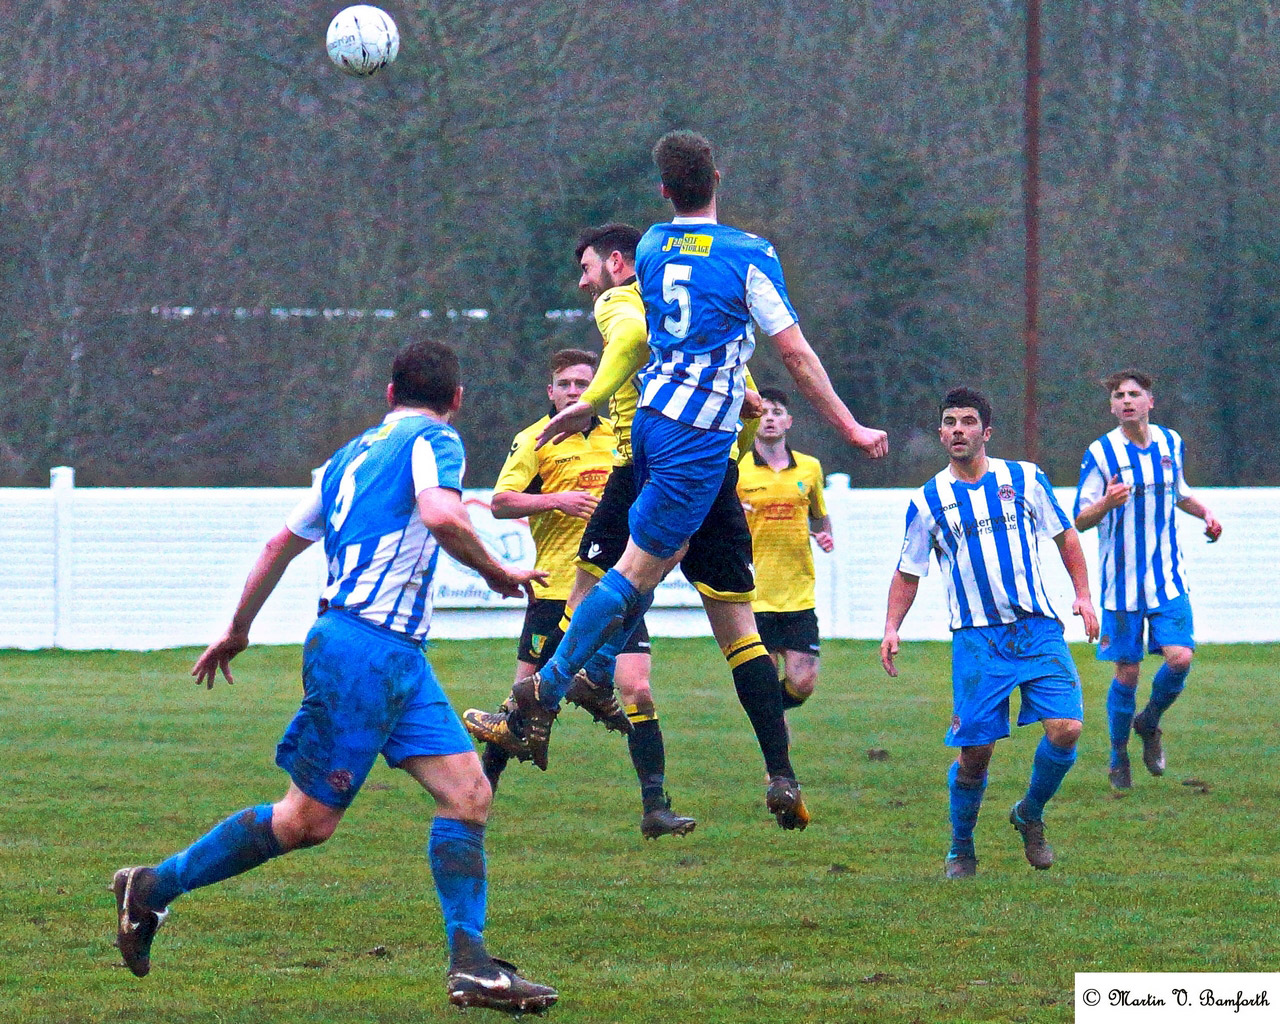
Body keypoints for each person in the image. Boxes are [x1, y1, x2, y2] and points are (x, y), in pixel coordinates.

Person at [109, 341, 558, 1014]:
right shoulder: (436, 440)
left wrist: (237, 628)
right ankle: (151, 888)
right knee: (305, 822)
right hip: (360, 655)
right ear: (456, 399)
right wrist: (499, 572)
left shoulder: (347, 459)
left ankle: (472, 965)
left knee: (468, 794)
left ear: (387, 393)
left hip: (394, 655)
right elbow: (440, 514)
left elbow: (278, 546)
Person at [498, 131, 887, 831]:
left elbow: (658, 333)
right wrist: (852, 428)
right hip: (697, 446)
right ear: (718, 177)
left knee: (705, 607)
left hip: (649, 427)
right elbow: (794, 354)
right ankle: (545, 694)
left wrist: (605, 398)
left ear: (664, 192)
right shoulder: (749, 255)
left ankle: (773, 772)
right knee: (634, 576)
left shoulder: (649, 245)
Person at [880, 387, 1099, 879]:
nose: (958, 429)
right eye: (950, 422)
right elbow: (908, 571)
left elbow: (1066, 535)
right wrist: (892, 627)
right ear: (940, 433)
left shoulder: (1023, 478)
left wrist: (1082, 594)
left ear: (986, 431)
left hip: (1036, 627)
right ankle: (961, 846)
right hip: (977, 639)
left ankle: (1029, 813)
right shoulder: (928, 499)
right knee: (976, 754)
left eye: (968, 421)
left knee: (1067, 728)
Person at [484, 341, 691, 838]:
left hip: (618, 585)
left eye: (584, 383)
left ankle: (655, 806)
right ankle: (475, 799)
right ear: (551, 392)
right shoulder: (535, 439)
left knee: (637, 687)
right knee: (521, 704)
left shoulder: (622, 439)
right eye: (566, 385)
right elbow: (499, 502)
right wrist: (556, 499)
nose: (575, 391)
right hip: (556, 590)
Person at [1073, 369, 1222, 791]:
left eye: (1134, 394)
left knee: (1181, 658)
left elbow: (1179, 492)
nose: (1126, 401)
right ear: (1112, 406)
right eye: (1119, 395)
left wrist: (1206, 514)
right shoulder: (1101, 453)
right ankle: (1118, 755)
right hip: (1121, 586)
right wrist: (1107, 501)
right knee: (1127, 675)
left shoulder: (1170, 443)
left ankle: (1149, 722)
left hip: (1166, 578)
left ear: (1150, 402)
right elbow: (1081, 520)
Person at [737, 387, 833, 713]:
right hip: (754, 593)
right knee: (764, 678)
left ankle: (766, 715)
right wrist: (735, 511)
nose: (769, 419)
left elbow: (820, 517)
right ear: (753, 419)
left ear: (788, 421)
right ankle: (776, 762)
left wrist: (824, 536)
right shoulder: (736, 470)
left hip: (798, 594)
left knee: (802, 681)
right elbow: (717, 520)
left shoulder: (810, 468)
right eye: (763, 412)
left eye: (776, 413)